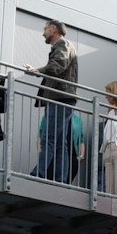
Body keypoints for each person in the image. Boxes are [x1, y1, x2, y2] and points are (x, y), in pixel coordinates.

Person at [23, 20, 81, 183]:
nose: (43, 33)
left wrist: (37, 71)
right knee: (60, 142)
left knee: (49, 138)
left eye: (45, 29)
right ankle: (60, 179)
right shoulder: (64, 45)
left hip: (60, 97)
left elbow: (57, 66)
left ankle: (38, 174)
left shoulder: (63, 45)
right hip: (62, 98)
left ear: (53, 30)